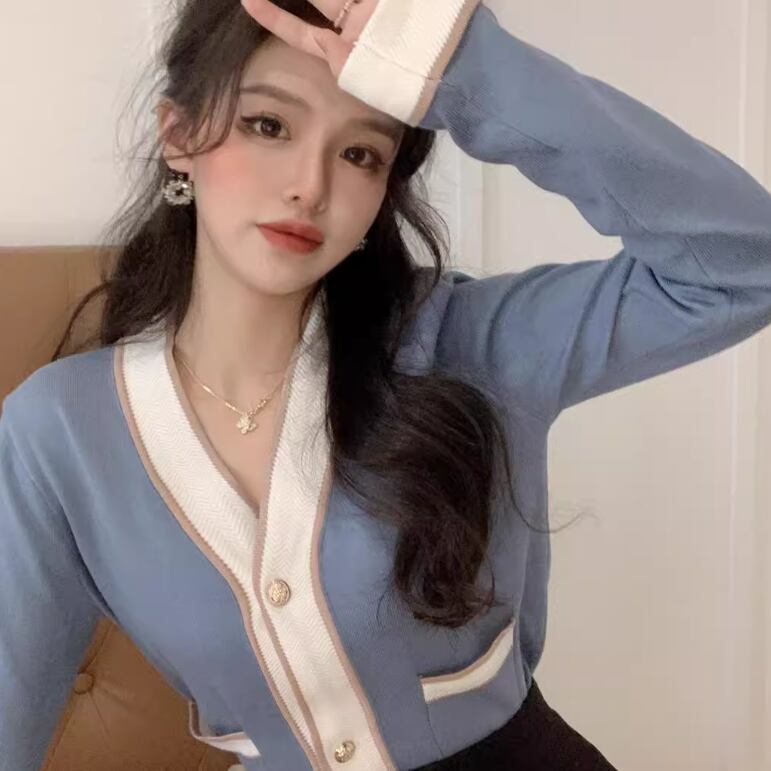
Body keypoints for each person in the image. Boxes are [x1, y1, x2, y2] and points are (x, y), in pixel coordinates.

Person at [2, 0, 771, 769]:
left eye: (360, 154)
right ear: (179, 135)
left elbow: (746, 264)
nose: (309, 186)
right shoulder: (58, 433)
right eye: (268, 125)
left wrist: (461, 64)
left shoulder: (471, 343)